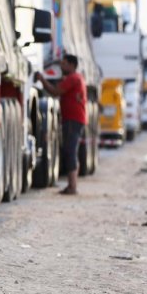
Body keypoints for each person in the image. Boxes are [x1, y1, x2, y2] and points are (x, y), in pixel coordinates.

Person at [36, 54, 87, 195]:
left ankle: (72, 186)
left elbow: (55, 91)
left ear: (72, 65)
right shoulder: (77, 78)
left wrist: (42, 79)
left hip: (73, 120)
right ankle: (72, 185)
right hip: (75, 119)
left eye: (64, 64)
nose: (61, 67)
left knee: (70, 152)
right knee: (71, 151)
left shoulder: (73, 79)